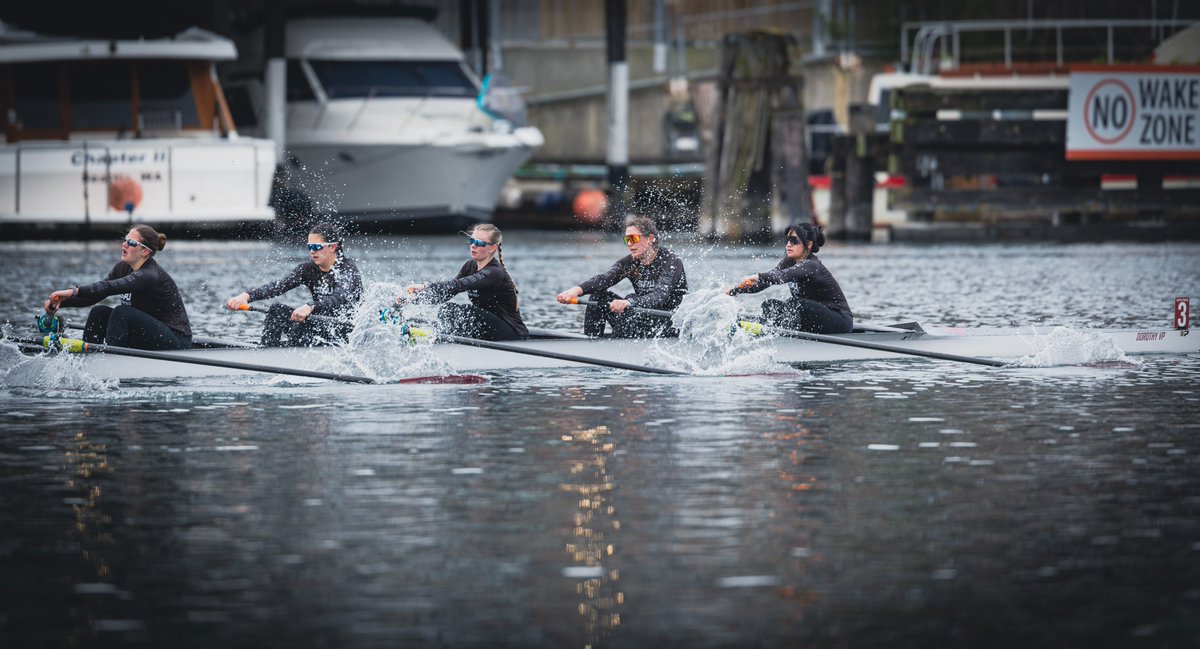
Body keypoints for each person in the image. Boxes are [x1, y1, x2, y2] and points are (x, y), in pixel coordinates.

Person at [43, 224, 192, 350]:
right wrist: (60, 303)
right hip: (148, 333)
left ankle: (112, 361)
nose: (124, 244)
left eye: (131, 243)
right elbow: (95, 295)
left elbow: (107, 287)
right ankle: (90, 357)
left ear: (145, 252)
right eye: (125, 240)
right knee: (99, 312)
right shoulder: (122, 267)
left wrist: (72, 291)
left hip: (176, 339)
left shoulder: (149, 275)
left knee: (122, 312)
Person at [225, 222, 363, 347]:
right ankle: (267, 351)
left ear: (332, 247)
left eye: (316, 247)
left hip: (345, 330)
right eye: (309, 247)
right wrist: (247, 296)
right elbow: (278, 286)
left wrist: (311, 306)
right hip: (317, 324)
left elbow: (338, 297)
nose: (312, 251)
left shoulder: (347, 270)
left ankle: (291, 355)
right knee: (276, 310)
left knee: (304, 323)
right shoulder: (307, 270)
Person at [555, 215, 688, 338]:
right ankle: (591, 342)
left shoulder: (670, 261)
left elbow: (659, 296)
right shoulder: (630, 263)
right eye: (627, 239)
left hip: (668, 324)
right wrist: (575, 291)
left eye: (634, 238)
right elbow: (604, 279)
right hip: (642, 316)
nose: (629, 244)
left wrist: (630, 302)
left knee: (631, 300)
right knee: (598, 296)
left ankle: (615, 342)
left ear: (650, 239)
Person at [400, 223, 527, 341]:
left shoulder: (495, 272)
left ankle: (434, 337)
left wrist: (425, 286)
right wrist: (413, 300)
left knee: (464, 312)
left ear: (492, 248)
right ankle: (435, 336)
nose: (473, 245)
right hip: (487, 327)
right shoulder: (469, 266)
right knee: (447, 309)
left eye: (479, 242)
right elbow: (448, 292)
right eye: (472, 241)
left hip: (511, 333)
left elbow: (459, 285)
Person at [725, 222, 853, 334]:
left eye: (794, 240)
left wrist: (757, 276)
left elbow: (781, 276)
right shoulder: (788, 262)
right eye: (787, 240)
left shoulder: (812, 265)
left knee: (795, 304)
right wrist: (735, 290)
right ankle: (767, 334)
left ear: (808, 244)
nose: (788, 244)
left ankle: (785, 339)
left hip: (839, 320)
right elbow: (764, 283)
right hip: (813, 317)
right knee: (770, 305)